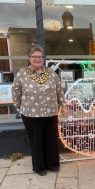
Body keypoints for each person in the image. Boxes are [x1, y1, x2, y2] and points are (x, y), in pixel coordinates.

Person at [12, 44, 67, 176]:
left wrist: (63, 103)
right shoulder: (22, 73)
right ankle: (39, 167)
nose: (37, 59)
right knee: (36, 140)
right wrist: (18, 106)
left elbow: (59, 89)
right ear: (29, 58)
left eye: (40, 57)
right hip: (31, 113)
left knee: (51, 139)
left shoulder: (51, 73)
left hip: (51, 112)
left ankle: (53, 164)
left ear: (43, 58)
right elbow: (15, 90)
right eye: (34, 56)